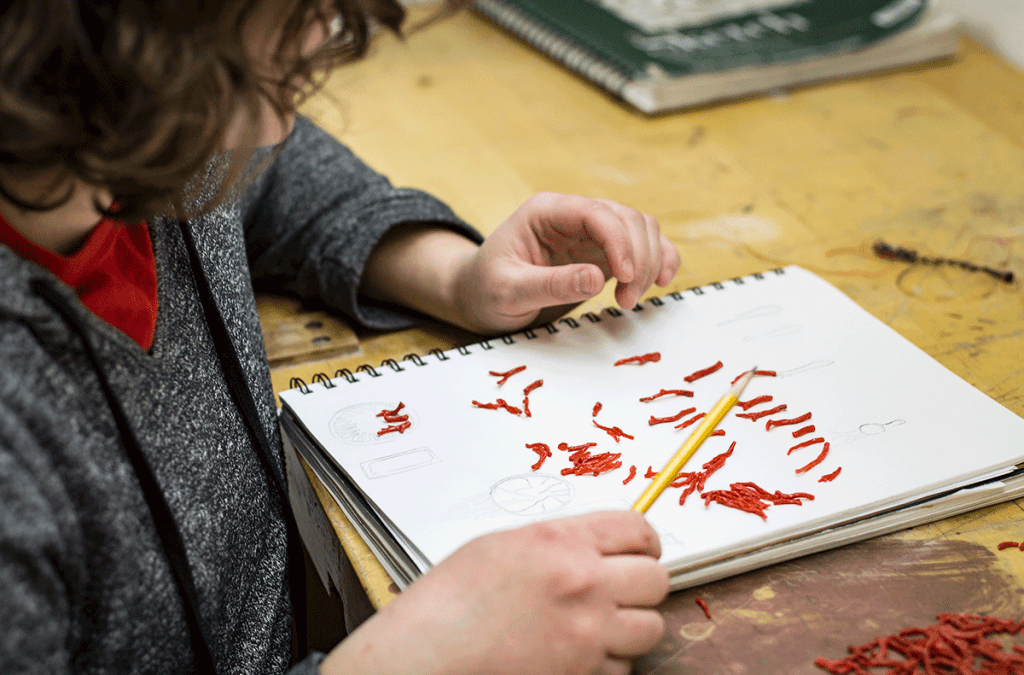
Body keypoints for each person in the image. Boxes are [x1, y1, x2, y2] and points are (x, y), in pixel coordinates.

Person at [0, 1, 680, 674]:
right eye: (256, 76)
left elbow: (267, 172)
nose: (282, 120)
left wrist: (456, 277)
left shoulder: (149, 131)